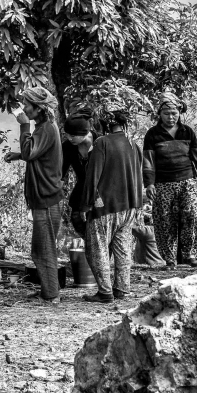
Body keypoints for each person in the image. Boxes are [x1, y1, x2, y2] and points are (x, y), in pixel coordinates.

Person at [3, 87, 63, 304]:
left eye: (27, 105)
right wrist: (20, 155)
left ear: (38, 109)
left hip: (46, 198)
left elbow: (31, 152)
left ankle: (51, 295)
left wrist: (23, 125)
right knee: (40, 248)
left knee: (45, 249)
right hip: (45, 197)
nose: (24, 108)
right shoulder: (45, 127)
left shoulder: (45, 128)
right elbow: (35, 154)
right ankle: (48, 290)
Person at [143, 92, 197, 268]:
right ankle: (169, 259)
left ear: (179, 113)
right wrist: (149, 184)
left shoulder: (187, 131)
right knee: (165, 221)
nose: (171, 117)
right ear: (159, 114)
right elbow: (148, 162)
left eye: (174, 113)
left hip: (187, 181)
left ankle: (191, 255)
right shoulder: (152, 134)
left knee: (190, 217)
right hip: (162, 184)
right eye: (167, 113)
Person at [81, 106, 144, 302]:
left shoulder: (102, 142)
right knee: (123, 249)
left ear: (104, 124)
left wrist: (86, 204)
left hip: (106, 205)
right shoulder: (133, 144)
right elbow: (138, 173)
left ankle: (105, 291)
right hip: (130, 205)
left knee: (97, 248)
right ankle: (122, 289)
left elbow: (93, 176)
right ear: (123, 124)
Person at [61, 107, 97, 239]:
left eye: (73, 135)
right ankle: (89, 246)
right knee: (76, 218)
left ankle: (101, 252)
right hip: (81, 189)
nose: (69, 138)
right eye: (67, 134)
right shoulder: (68, 147)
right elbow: (61, 172)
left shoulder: (101, 143)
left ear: (86, 131)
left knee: (97, 219)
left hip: (100, 192)